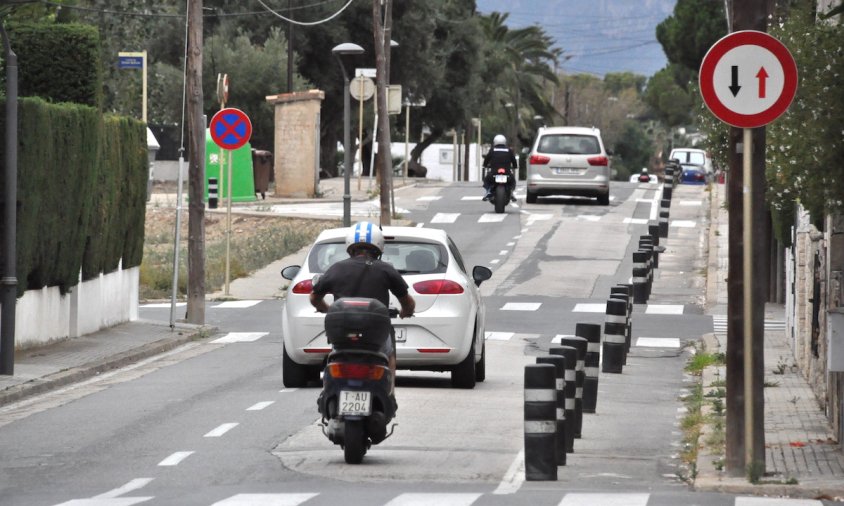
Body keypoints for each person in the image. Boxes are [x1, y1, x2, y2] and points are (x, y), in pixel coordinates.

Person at [309, 221, 416, 397]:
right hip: (376, 331)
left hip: (342, 331)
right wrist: (406, 312)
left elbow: (314, 298)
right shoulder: (386, 269)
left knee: (334, 355)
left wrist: (327, 309)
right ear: (379, 246)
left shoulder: (336, 268)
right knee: (389, 355)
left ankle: (328, 392)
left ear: (349, 246)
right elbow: (407, 302)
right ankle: (389, 394)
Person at [482, 134, 518, 202]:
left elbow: (487, 159)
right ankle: (511, 193)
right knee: (512, 181)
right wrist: (515, 166)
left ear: (495, 141)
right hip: (507, 172)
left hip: (494, 173)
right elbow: (514, 160)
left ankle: (488, 191)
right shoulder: (509, 150)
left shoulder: (492, 150)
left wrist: (485, 165)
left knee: (486, 180)